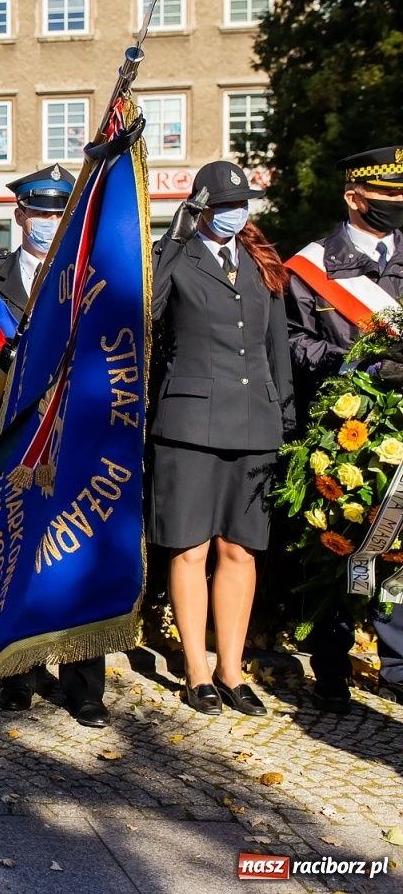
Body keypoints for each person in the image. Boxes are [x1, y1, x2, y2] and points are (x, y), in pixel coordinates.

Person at [0, 164, 110, 726]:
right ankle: (15, 673)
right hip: (11, 442)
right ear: (20, 216)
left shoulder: (95, 275)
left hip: (78, 436)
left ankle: (85, 683)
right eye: (40, 213)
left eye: (58, 214)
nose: (48, 223)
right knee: (14, 554)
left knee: (78, 554)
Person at [150, 162, 293, 716]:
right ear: (202, 208)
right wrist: (173, 239)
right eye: (225, 205)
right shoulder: (179, 259)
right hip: (188, 424)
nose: (236, 214)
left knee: (240, 547)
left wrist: (285, 417)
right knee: (191, 546)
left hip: (255, 420)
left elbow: (275, 346)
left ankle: (233, 671)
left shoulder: (260, 264)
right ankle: (197, 671)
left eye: (243, 205)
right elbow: (148, 312)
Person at [285, 145, 403, 713]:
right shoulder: (311, 266)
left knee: (401, 548)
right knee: (337, 541)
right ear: (354, 197)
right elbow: (289, 341)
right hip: (339, 427)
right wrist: (353, 364)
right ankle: (331, 667)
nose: (397, 206)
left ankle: (398, 666)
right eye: (388, 198)